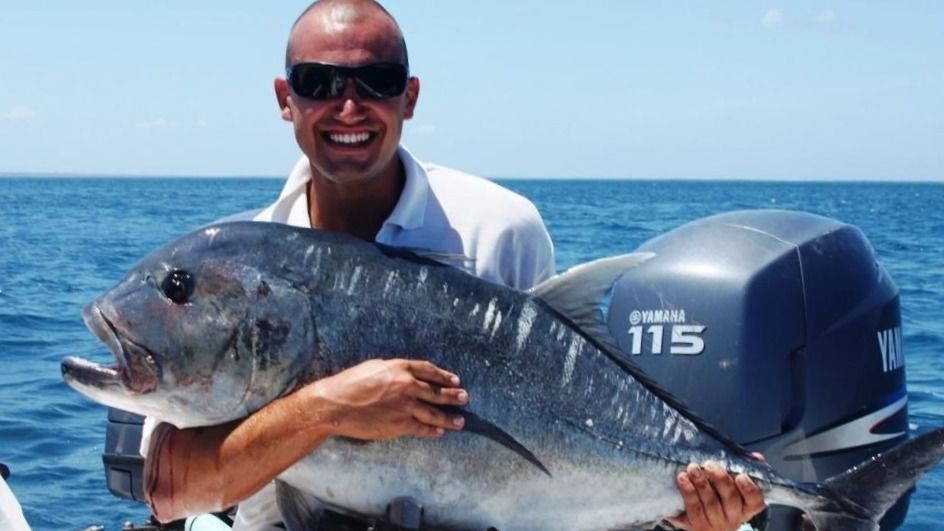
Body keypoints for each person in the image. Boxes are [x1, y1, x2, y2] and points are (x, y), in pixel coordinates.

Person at [141, 1, 767, 530]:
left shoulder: (498, 229)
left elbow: (568, 427)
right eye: (320, 82)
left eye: (377, 82)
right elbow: (172, 493)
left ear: (409, 98)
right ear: (286, 98)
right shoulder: (241, 268)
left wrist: (674, 505)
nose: (350, 106)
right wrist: (326, 407)